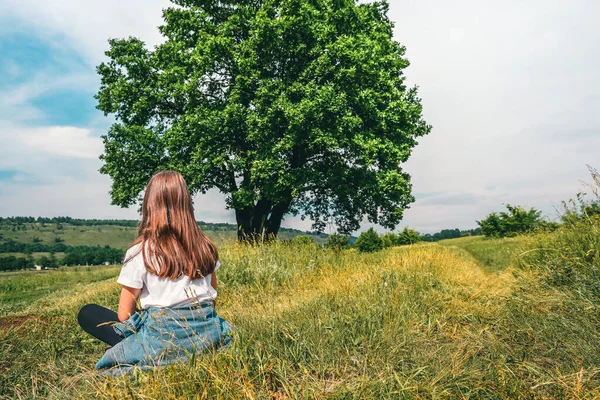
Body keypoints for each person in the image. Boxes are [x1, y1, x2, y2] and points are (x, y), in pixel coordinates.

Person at [77, 170, 234, 375]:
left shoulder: (140, 252)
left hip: (161, 339)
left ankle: (140, 352)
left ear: (149, 206)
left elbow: (124, 315)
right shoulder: (205, 246)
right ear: (186, 204)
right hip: (207, 335)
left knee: (88, 312)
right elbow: (211, 298)